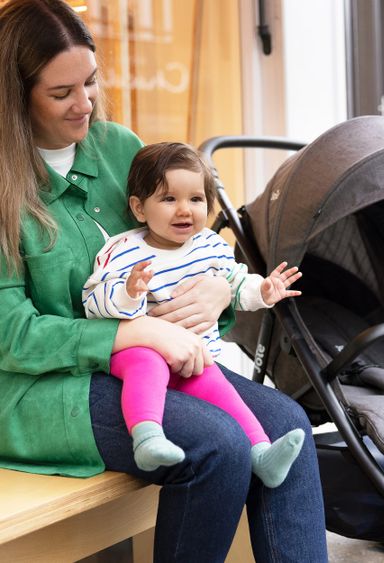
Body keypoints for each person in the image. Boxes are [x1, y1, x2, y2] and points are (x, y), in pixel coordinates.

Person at [0, 1, 328, 561]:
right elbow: (11, 333)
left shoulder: (119, 148)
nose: (86, 104)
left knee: (287, 426)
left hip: (150, 366)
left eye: (92, 82)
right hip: (41, 387)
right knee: (217, 446)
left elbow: (182, 245)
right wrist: (134, 335)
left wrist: (220, 291)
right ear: (15, 95)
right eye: (62, 94)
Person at [82, 142, 305, 486]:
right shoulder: (124, 250)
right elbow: (93, 301)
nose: (184, 210)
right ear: (139, 208)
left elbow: (236, 282)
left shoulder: (210, 247)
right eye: (169, 199)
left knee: (223, 390)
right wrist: (128, 292)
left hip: (193, 357)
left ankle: (261, 453)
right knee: (147, 364)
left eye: (196, 199)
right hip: (138, 351)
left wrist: (262, 291)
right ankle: (147, 437)